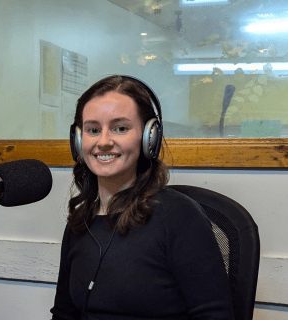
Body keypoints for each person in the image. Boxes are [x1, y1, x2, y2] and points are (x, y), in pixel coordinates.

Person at [51, 75, 234, 320]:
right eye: (93, 130)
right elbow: (64, 314)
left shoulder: (179, 217)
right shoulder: (80, 222)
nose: (104, 142)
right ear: (78, 140)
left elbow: (215, 315)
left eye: (120, 128)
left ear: (149, 137)